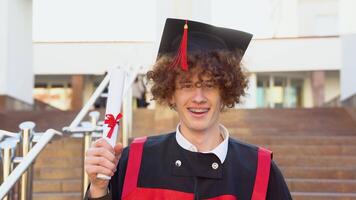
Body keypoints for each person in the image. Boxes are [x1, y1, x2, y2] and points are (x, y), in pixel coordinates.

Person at [84, 18, 292, 200]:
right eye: (186, 85)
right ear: (171, 93)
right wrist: (99, 189)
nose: (198, 98)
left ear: (225, 92)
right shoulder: (134, 162)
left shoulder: (260, 170)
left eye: (209, 85)